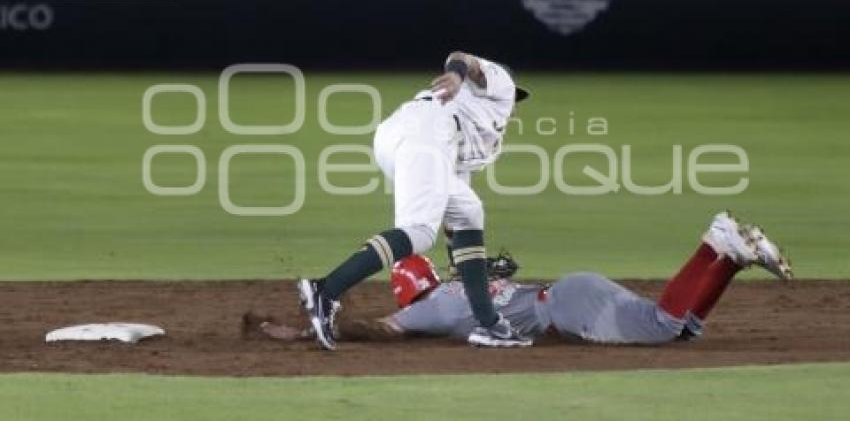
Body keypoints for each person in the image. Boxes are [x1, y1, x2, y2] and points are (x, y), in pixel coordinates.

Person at [263, 212, 791, 345]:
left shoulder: (427, 308)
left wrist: (313, 327)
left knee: (663, 325)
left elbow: (375, 330)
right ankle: (730, 258)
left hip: (569, 309)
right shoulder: (460, 284)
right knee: (683, 328)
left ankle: (713, 243)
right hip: (568, 292)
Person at [297, 51, 531, 350]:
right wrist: (458, 75)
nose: (515, 106)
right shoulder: (501, 86)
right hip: (427, 132)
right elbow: (460, 57)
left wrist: (461, 265)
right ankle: (325, 291)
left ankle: (490, 325)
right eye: (516, 99)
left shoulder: (479, 131)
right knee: (419, 232)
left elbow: (454, 217)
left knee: (469, 212)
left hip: (410, 135)